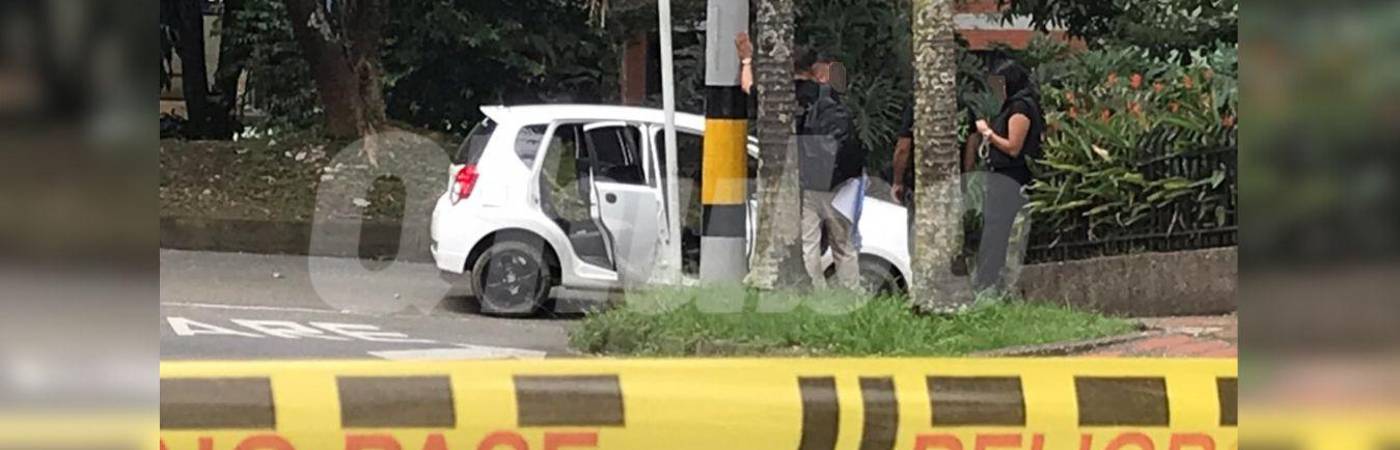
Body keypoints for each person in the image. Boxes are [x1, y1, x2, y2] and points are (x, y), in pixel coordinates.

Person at [736, 32, 864, 291]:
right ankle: (852, 294)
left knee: (809, 244)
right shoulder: (827, 96)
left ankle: (816, 293)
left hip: (807, 182)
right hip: (839, 181)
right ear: (811, 68)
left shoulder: (780, 97)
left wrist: (747, 60)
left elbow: (747, 87)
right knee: (844, 245)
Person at [970, 58, 1044, 293]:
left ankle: (988, 282)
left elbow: (1013, 146)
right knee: (993, 230)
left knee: (997, 230)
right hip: (1002, 175)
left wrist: (988, 133)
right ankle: (987, 280)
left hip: (1011, 176)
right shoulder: (1012, 105)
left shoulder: (1020, 107)